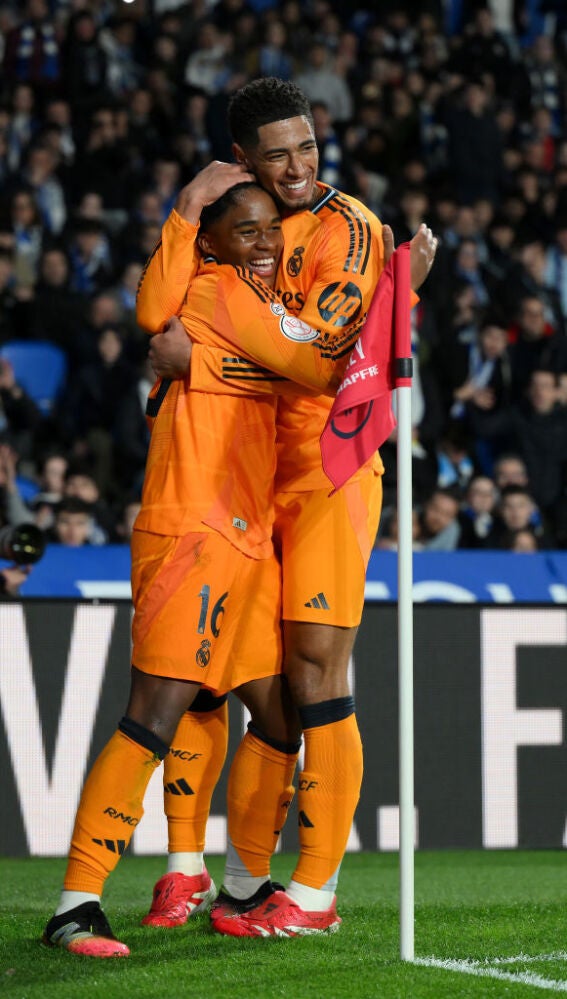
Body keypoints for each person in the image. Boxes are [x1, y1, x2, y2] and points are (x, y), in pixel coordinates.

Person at [137, 77, 437, 938]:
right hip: (236, 470)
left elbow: (322, 350)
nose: (299, 165)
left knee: (314, 670)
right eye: (278, 153)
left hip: (325, 469)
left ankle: (313, 893)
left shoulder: (352, 228)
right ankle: (224, 880)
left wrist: (207, 355)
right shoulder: (226, 220)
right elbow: (161, 316)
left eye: (306, 145)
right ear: (245, 161)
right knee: (233, 678)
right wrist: (187, 212)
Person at [42, 181, 351, 957]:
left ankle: (242, 884)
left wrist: (209, 366)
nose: (263, 243)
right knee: (155, 709)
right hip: (191, 525)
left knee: (277, 715)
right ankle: (76, 903)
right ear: (210, 244)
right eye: (243, 232)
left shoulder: (239, 299)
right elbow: (301, 362)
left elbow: (277, 375)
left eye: (268, 231)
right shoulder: (209, 288)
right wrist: (181, 212)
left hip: (246, 535)